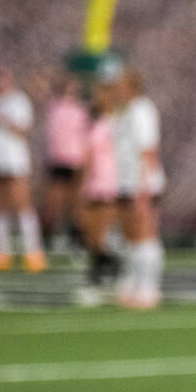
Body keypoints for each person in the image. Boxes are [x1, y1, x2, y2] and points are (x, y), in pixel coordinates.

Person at [113, 68, 165, 309]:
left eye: (120, 85)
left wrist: (143, 186)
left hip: (141, 183)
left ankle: (149, 288)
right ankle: (131, 283)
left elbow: (148, 151)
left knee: (145, 234)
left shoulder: (142, 110)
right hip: (126, 180)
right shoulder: (126, 111)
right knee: (130, 236)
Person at [0, 65, 45, 273]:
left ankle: (33, 252)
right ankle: (1, 253)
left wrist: (4, 120)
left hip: (13, 162)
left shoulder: (18, 100)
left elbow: (24, 129)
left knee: (22, 205)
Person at [77, 81, 121, 305]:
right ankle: (105, 272)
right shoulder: (94, 123)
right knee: (91, 235)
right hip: (92, 184)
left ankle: (101, 276)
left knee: (101, 234)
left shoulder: (115, 123)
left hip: (108, 184)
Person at [43, 75, 90, 256]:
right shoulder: (54, 106)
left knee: (76, 203)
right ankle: (47, 236)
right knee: (53, 204)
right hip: (57, 160)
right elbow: (38, 83)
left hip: (76, 160)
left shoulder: (81, 109)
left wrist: (84, 161)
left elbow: (85, 137)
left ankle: (77, 238)